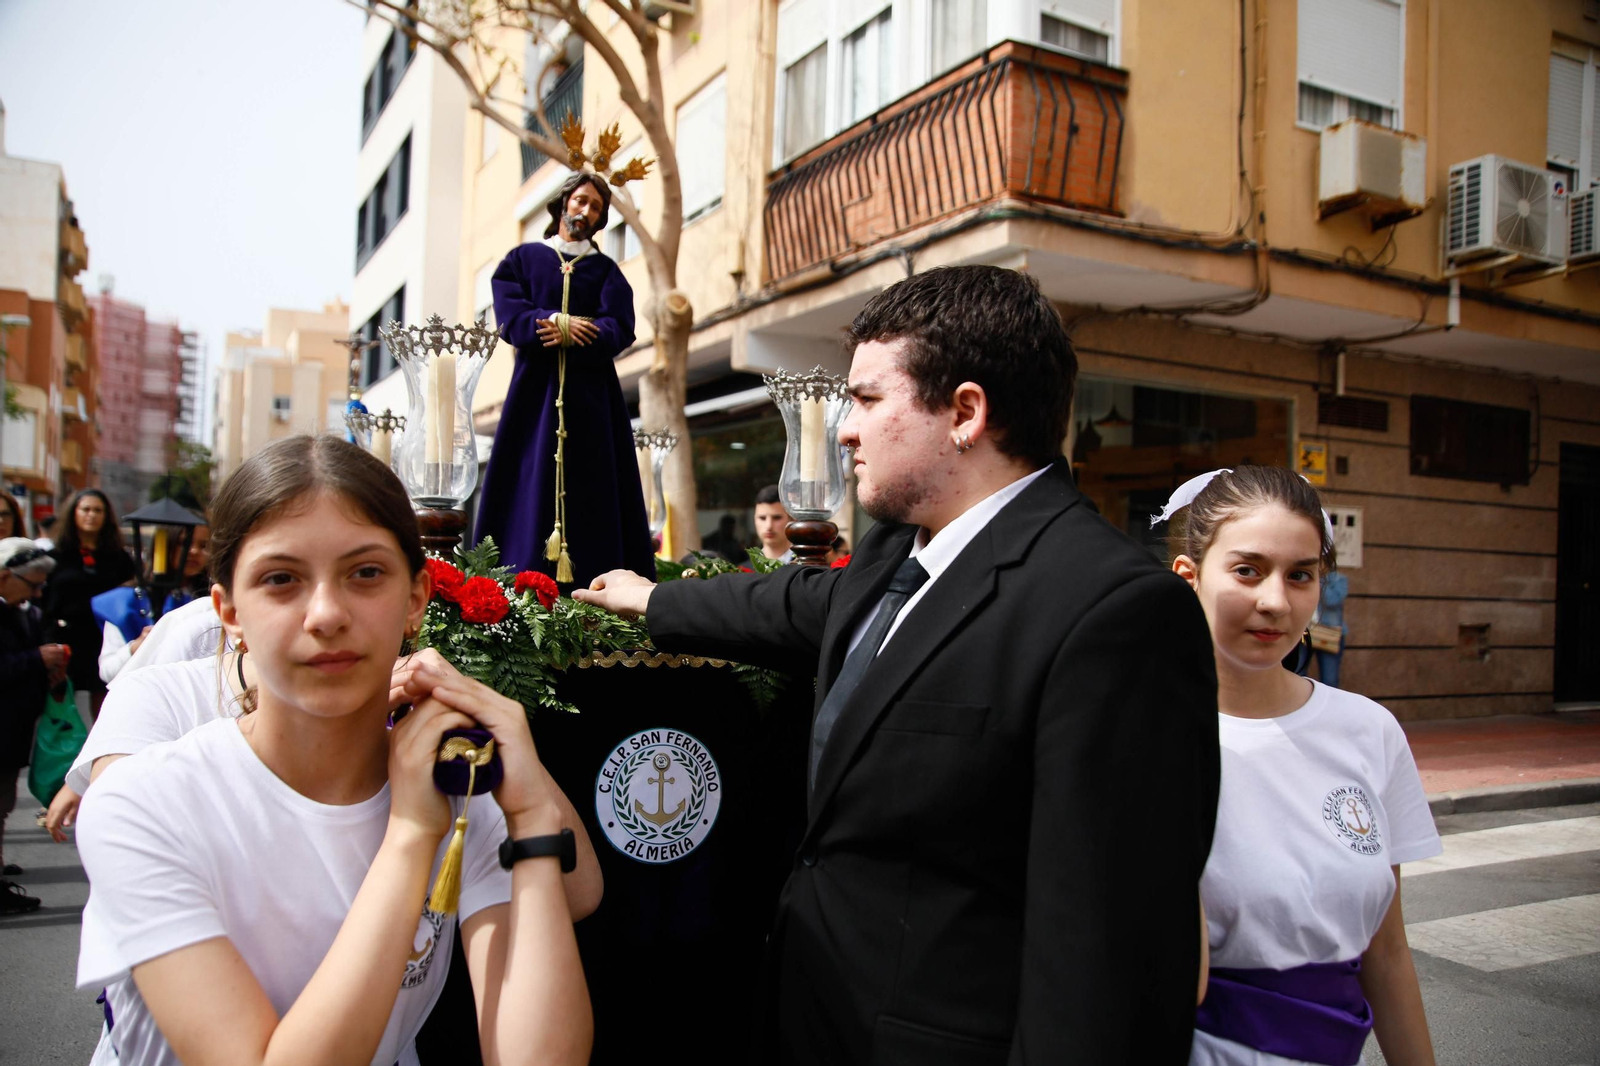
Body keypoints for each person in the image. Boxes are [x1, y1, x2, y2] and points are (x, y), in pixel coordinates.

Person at [577, 265, 1220, 1063]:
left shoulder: (1116, 614)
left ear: (965, 413)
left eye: (868, 400)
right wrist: (652, 601)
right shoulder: (895, 552)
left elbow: (1109, 966)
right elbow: (798, 607)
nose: (846, 429)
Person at [74, 435, 600, 1066]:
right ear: (229, 612)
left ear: (415, 599)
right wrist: (409, 835)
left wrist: (533, 814)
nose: (325, 614)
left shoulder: (453, 789)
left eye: (366, 573)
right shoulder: (143, 805)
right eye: (280, 579)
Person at [1159, 466, 1439, 1066]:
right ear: (1189, 578)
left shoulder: (1368, 730)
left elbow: (1385, 952)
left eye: (1301, 575)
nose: (1275, 602)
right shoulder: (1141, 732)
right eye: (1247, 570)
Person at [476, 170, 655, 589]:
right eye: (579, 200)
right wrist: (551, 321)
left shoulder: (606, 272)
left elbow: (620, 326)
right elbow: (509, 314)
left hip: (592, 403)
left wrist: (582, 333)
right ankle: (517, 587)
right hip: (534, 400)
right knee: (527, 482)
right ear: (562, 203)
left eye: (594, 206)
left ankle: (599, 588)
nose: (585, 210)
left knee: (595, 489)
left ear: (600, 217)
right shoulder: (522, 261)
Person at [0, 539, 67, 912]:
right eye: (33, 585)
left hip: (12, 727)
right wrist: (35, 659)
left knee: (4, 804)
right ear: (6, 576)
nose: (38, 593)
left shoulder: (19, 610)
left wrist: (47, 673)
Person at [41, 489, 138, 723]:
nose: (91, 515)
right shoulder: (56, 556)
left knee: (104, 708)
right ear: (74, 513)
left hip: (103, 639)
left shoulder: (119, 558)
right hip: (66, 639)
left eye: (98, 510)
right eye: (85, 509)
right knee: (61, 710)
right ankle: (62, 757)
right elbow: (44, 602)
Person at [1316, 568, 1350, 689]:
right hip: (1305, 632)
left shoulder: (1338, 579)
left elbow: (1332, 600)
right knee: (1298, 672)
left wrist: (1319, 581)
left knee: (1329, 678)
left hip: (1329, 632)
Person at [753, 484, 793, 563]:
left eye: (776, 518)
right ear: (755, 519)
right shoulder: (743, 571)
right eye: (762, 518)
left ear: (791, 519)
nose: (769, 526)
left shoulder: (806, 568)